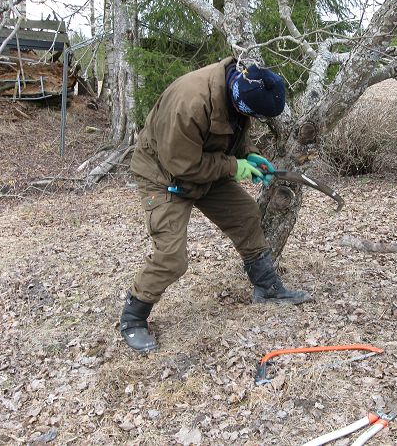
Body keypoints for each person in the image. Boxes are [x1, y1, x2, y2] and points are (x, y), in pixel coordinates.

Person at [120, 58, 312, 354]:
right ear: (239, 99)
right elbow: (182, 164)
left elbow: (232, 135)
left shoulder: (241, 85)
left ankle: (267, 287)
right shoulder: (190, 102)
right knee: (172, 258)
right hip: (165, 176)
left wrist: (250, 154)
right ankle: (133, 318)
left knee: (246, 215)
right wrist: (234, 167)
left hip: (204, 167)